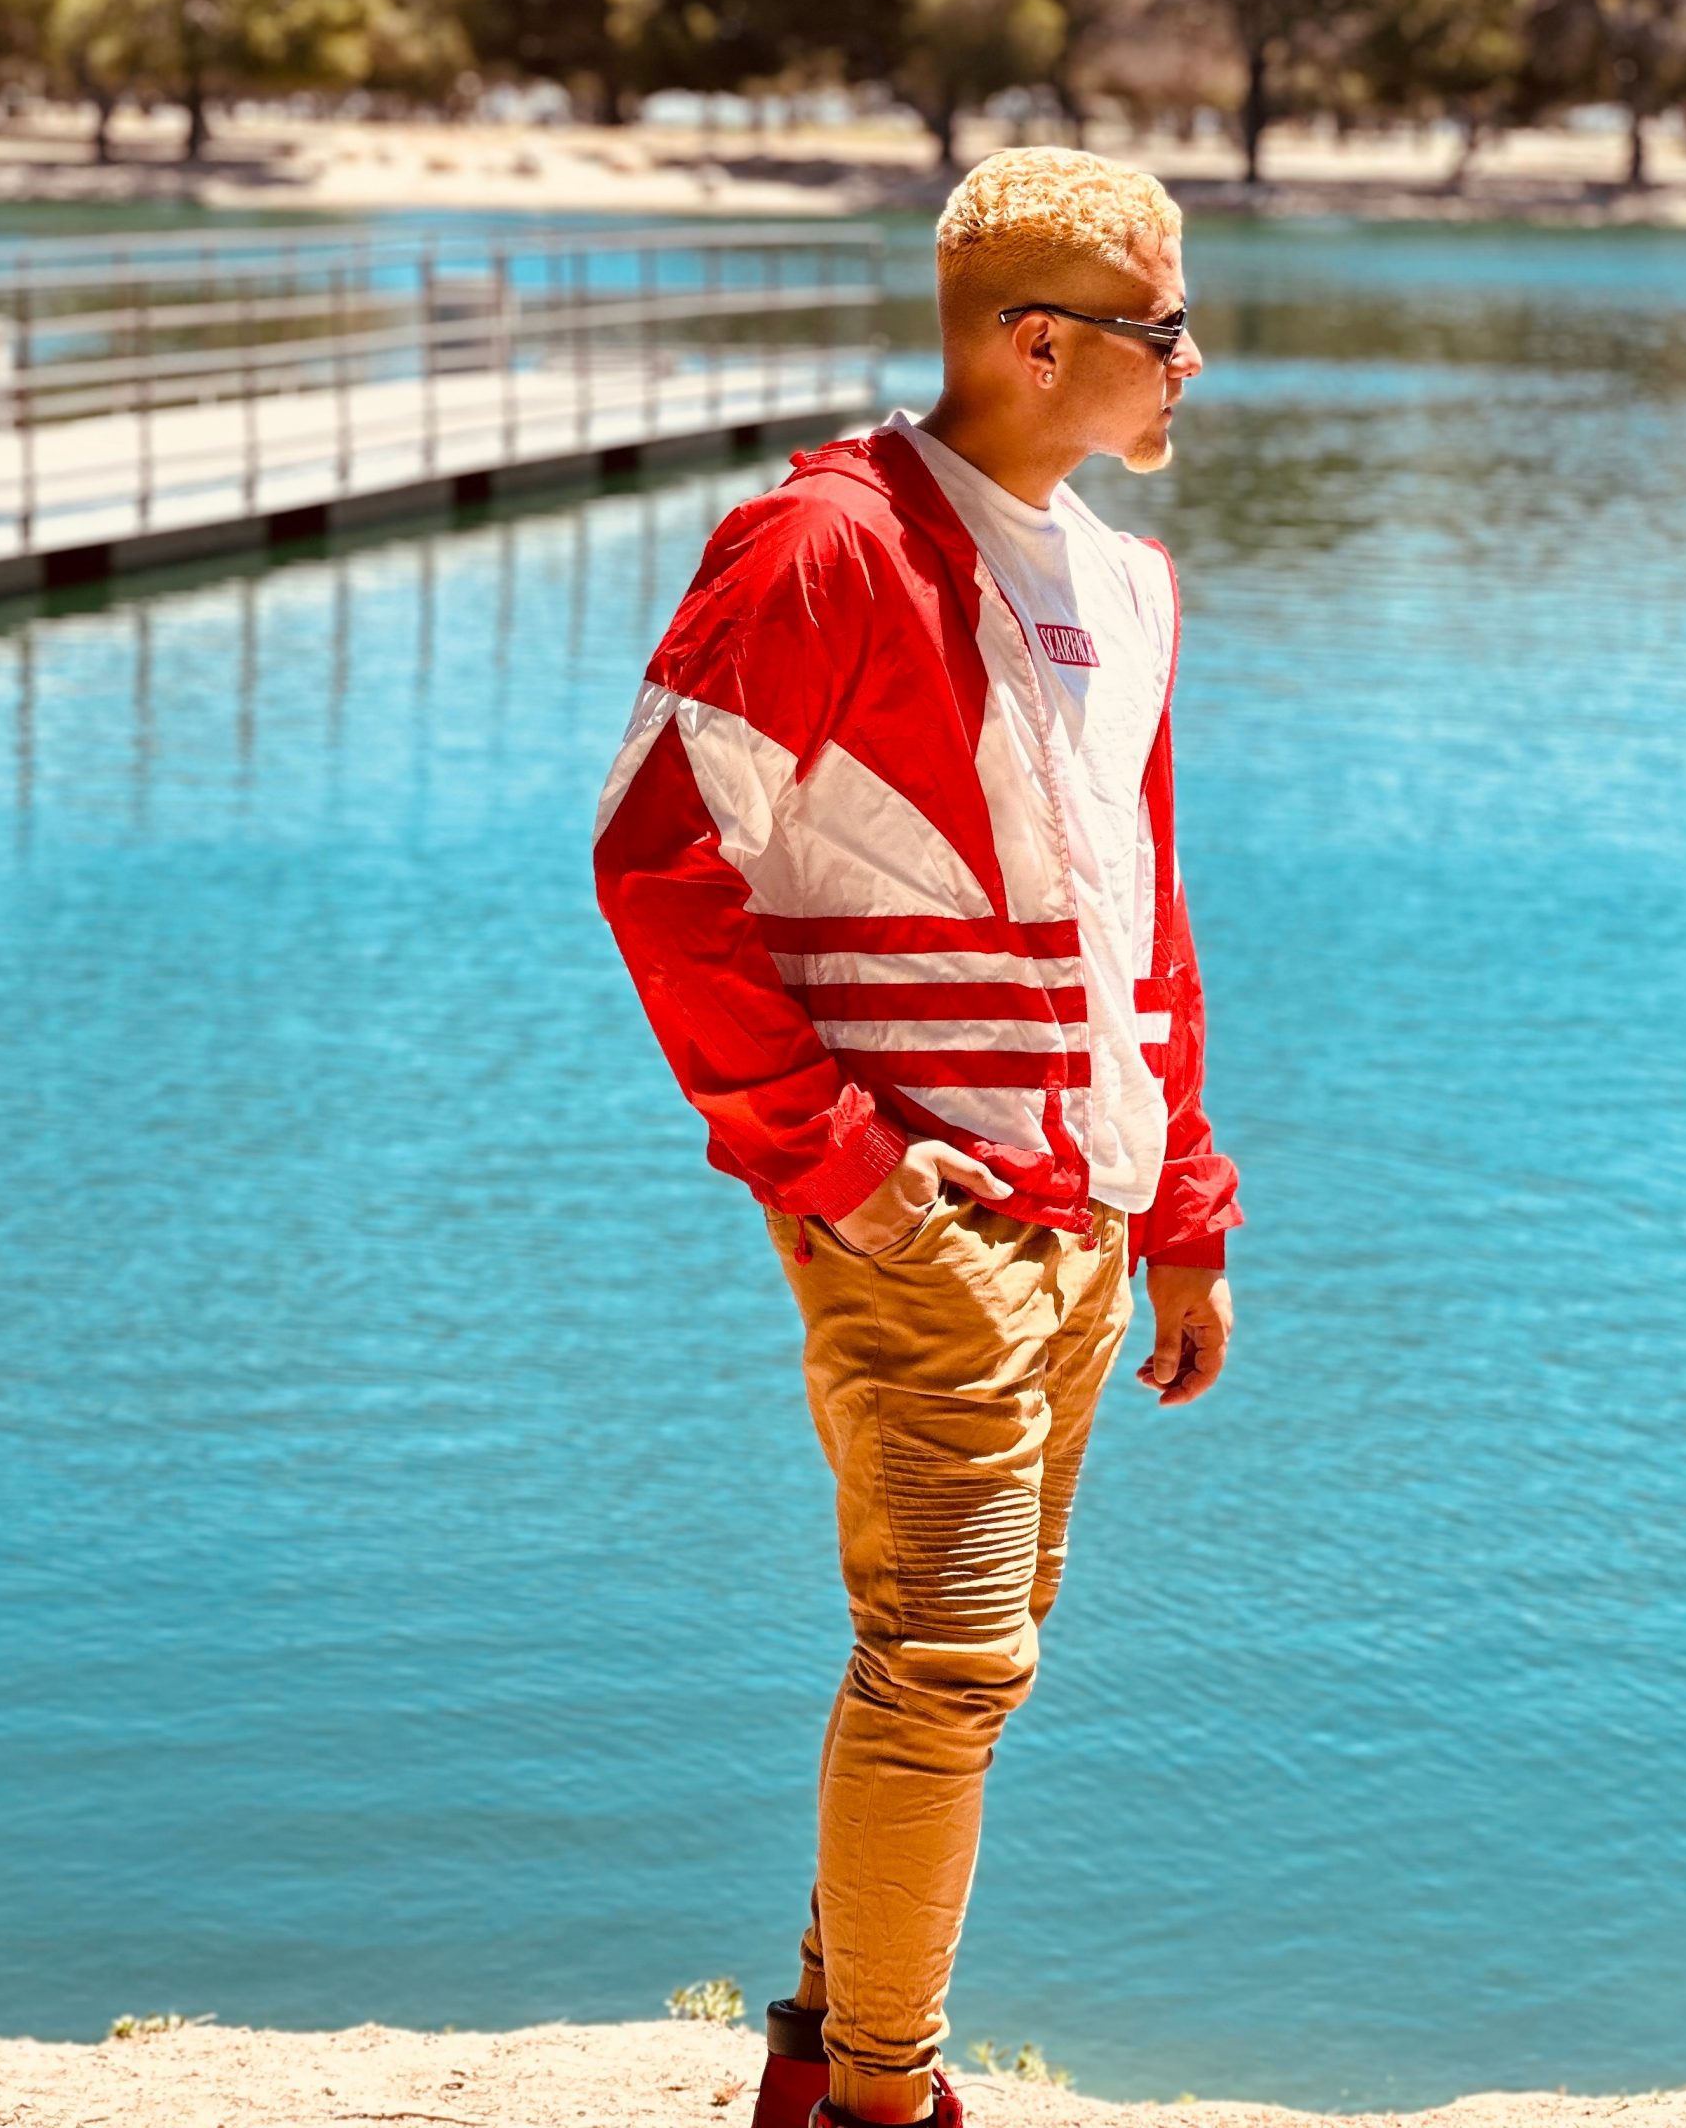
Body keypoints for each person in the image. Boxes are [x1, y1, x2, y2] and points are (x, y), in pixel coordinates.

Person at [593, 150, 1241, 2128]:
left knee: (958, 1664)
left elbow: (1142, 911)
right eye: (1162, 328)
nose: (1193, 363)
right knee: (951, 1664)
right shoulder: (824, 543)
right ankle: (886, 2097)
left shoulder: (1125, 584)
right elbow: (655, 860)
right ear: (1036, 342)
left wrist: (1185, 1204)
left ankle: (821, 2056)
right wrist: (841, 1163)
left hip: (1086, 1213)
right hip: (920, 1216)